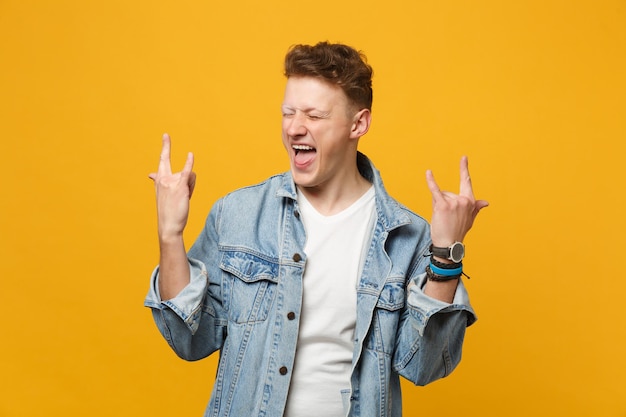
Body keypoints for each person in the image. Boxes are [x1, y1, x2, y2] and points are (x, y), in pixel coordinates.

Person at [145, 41, 488, 417]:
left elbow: (423, 365)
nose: (294, 128)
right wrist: (170, 235)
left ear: (358, 123)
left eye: (314, 115)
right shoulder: (238, 214)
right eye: (288, 113)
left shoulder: (407, 235)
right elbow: (188, 340)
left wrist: (446, 253)